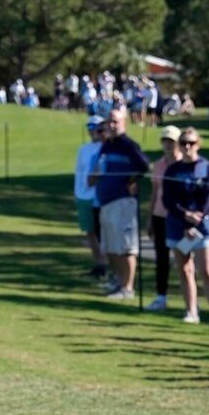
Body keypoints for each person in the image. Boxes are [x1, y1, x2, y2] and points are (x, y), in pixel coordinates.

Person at [163, 126, 209, 325]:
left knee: (206, 269)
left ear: (198, 144)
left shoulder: (207, 167)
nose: (187, 146)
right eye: (183, 143)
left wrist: (197, 218)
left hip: (203, 227)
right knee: (185, 269)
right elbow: (168, 199)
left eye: (192, 143)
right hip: (178, 225)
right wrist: (184, 215)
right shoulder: (173, 170)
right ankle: (191, 311)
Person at [91, 106, 151, 300]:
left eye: (116, 121)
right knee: (110, 246)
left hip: (123, 201)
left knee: (126, 248)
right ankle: (119, 281)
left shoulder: (128, 145)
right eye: (110, 121)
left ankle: (128, 288)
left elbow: (143, 166)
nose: (112, 124)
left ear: (124, 122)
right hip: (105, 201)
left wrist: (132, 181)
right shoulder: (107, 145)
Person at [145, 126, 183, 312]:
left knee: (184, 259)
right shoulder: (159, 165)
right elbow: (154, 193)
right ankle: (161, 297)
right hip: (160, 216)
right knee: (162, 258)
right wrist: (150, 218)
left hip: (179, 218)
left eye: (172, 141)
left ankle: (189, 301)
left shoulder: (185, 164)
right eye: (165, 141)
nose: (168, 145)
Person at [73, 115, 107, 279]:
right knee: (90, 232)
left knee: (102, 232)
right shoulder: (83, 149)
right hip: (83, 196)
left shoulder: (106, 147)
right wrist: (77, 193)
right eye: (91, 128)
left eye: (97, 128)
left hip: (98, 196)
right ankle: (99, 263)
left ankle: (106, 264)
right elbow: (79, 173)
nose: (94, 132)